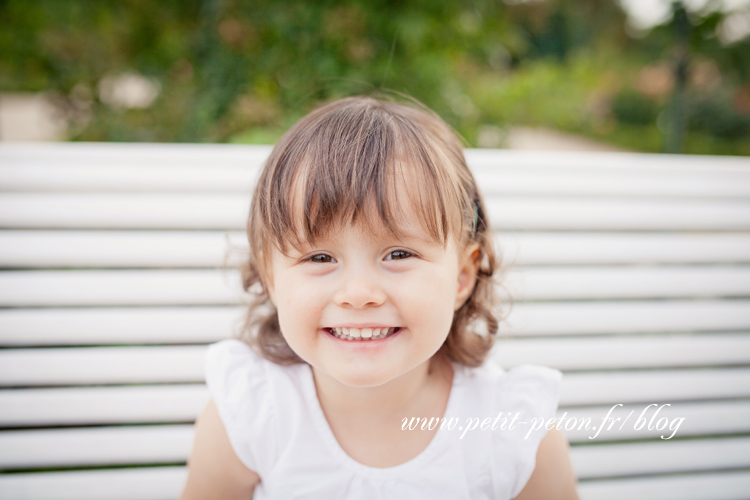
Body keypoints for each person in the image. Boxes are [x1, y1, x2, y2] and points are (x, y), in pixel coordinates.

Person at [179, 96, 579, 500]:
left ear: (462, 277)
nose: (358, 294)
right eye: (320, 257)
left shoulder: (513, 432)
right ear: (271, 279)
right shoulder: (251, 414)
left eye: (398, 255)